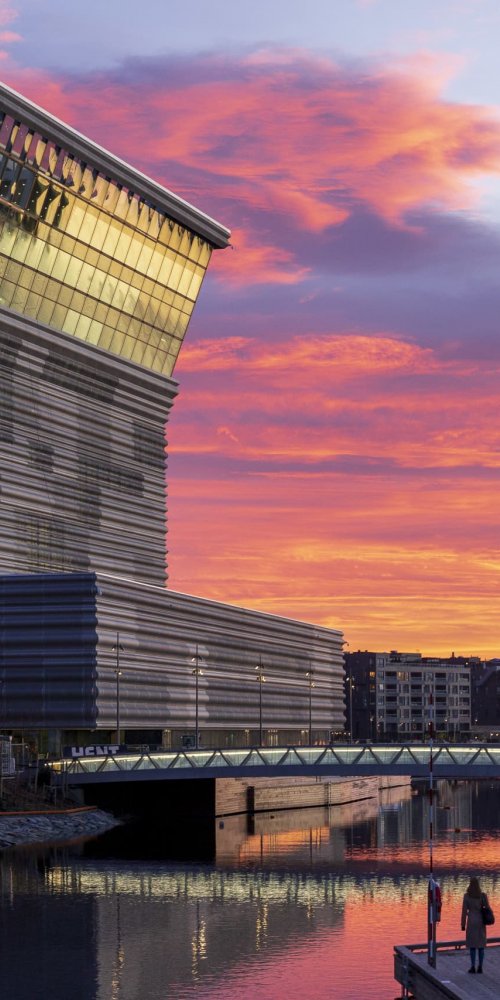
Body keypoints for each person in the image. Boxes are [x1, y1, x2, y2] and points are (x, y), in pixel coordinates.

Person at [461, 876, 489, 973]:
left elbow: (464, 911)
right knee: (481, 945)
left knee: (472, 946)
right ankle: (480, 966)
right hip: (481, 921)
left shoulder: (466, 896)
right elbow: (488, 908)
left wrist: (463, 924)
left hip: (471, 922)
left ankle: (473, 966)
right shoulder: (483, 896)